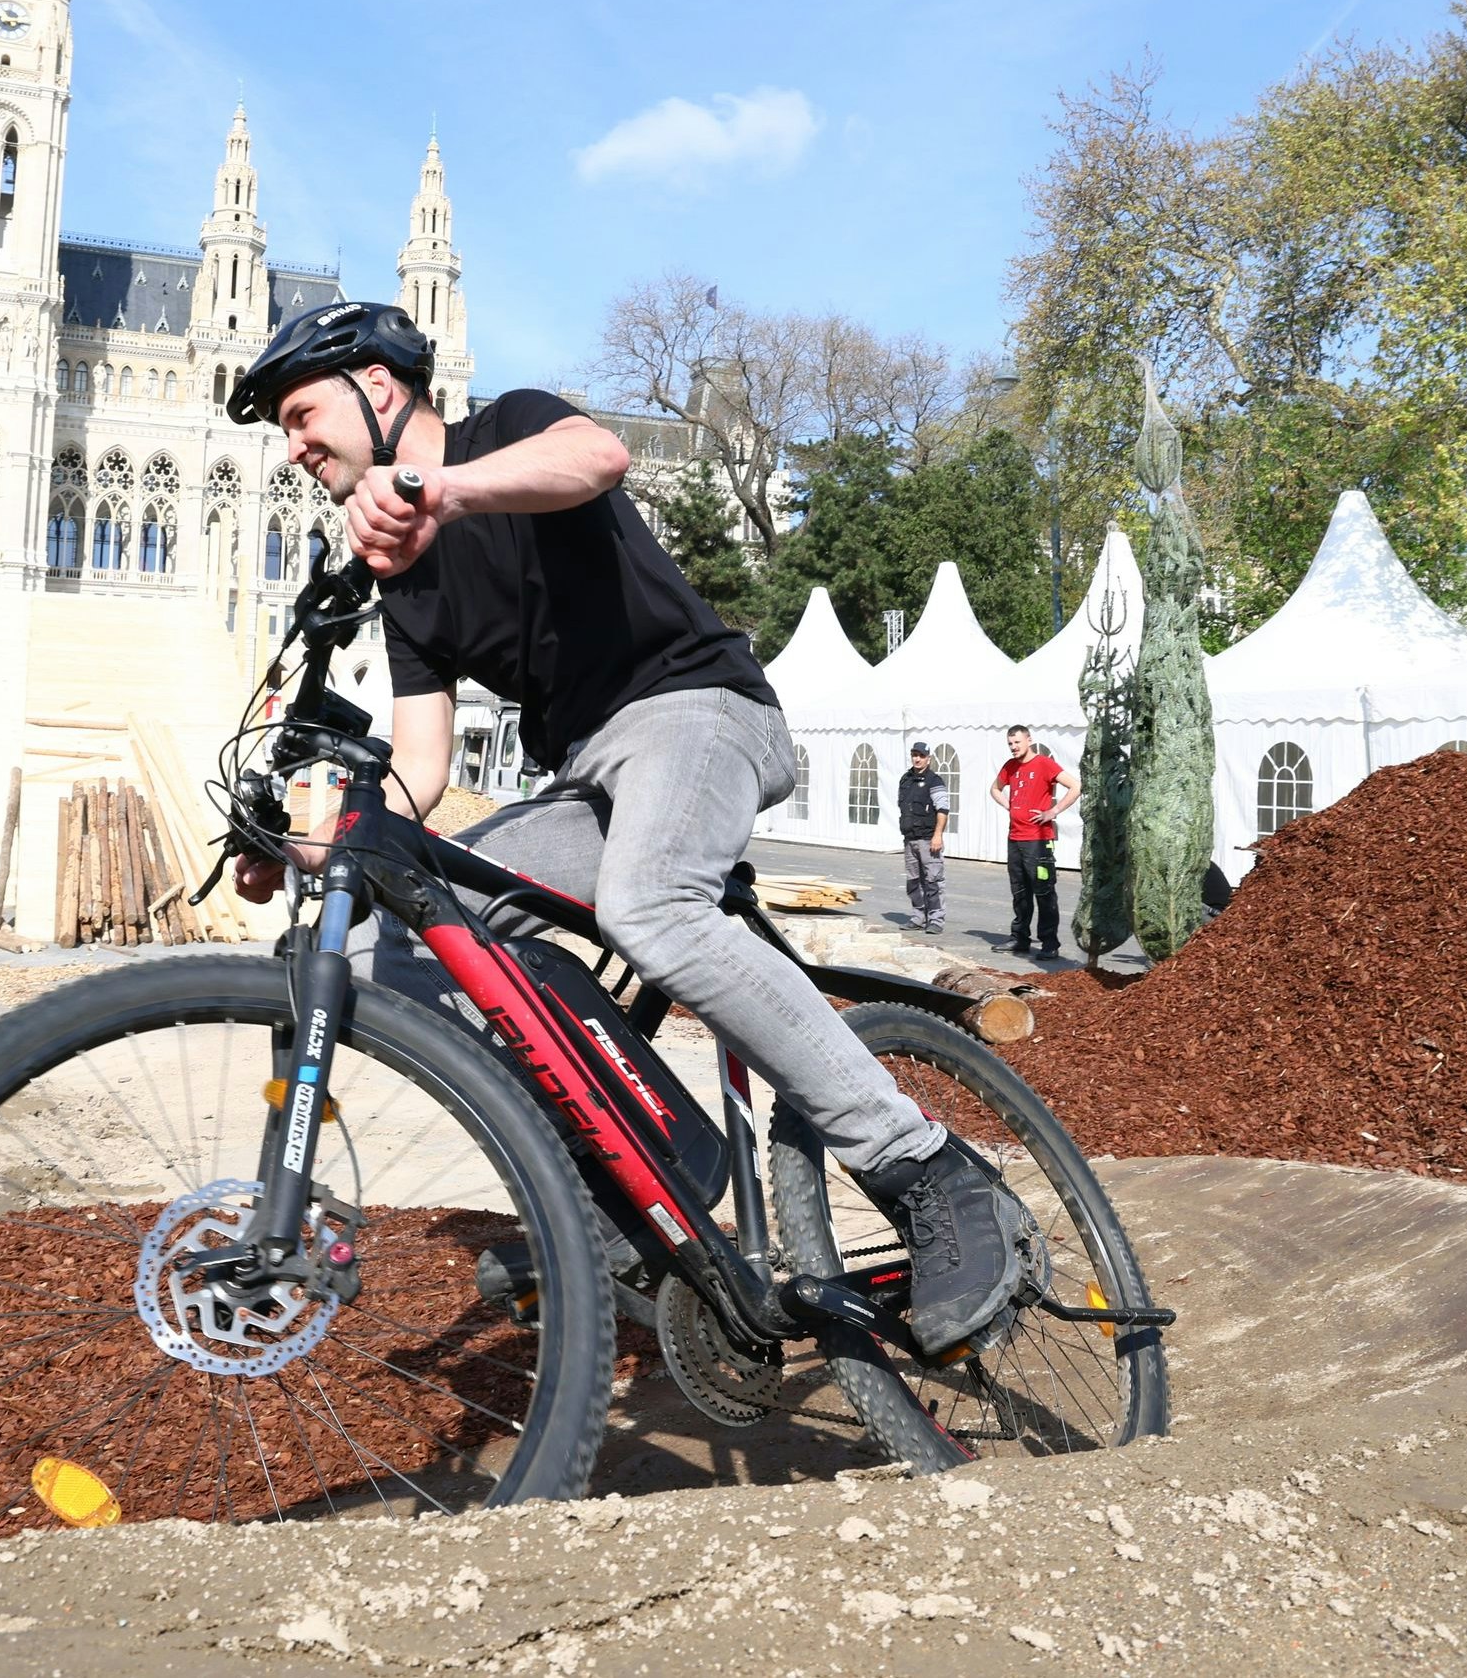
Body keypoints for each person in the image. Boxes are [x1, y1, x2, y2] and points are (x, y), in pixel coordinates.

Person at [223, 299, 1030, 1351]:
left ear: (378, 388)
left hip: (697, 714)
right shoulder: (405, 586)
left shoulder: (503, 431)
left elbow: (596, 457)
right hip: (591, 781)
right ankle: (651, 1172)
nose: (293, 449)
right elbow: (419, 771)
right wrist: (306, 854)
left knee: (648, 902)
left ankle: (926, 1169)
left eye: (298, 415)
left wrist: (441, 491)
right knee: (399, 935)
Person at [991, 725, 1077, 958]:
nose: (1013, 747)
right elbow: (995, 789)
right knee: (1020, 892)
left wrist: (1054, 811)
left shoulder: (1044, 764)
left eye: (1017, 742)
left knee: (1044, 892)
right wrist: (1008, 804)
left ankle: (1050, 943)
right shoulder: (1010, 766)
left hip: (1038, 841)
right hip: (1015, 838)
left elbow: (1075, 786)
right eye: (1010, 743)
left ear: (1029, 740)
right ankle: (1020, 938)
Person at [893, 741, 951, 931]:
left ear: (928, 758)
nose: (917, 759)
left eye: (921, 755)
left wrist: (938, 836)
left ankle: (935, 920)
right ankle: (918, 916)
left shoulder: (935, 781)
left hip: (928, 839)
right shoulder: (905, 779)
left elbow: (943, 809)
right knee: (913, 881)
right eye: (914, 755)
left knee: (933, 881)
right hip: (910, 839)